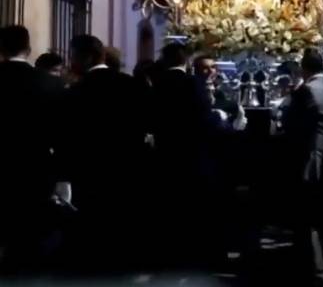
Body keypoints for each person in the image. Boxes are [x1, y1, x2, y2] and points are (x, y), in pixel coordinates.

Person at [60, 35, 151, 268]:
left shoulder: (76, 92)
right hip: (129, 168)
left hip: (89, 172)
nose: (71, 62)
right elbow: (148, 125)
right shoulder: (133, 85)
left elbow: (68, 138)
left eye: (73, 56)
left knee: (93, 229)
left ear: (87, 57)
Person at [0, 26, 66, 271]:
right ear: (28, 49)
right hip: (37, 164)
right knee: (31, 222)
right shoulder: (52, 84)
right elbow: (61, 133)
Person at [150, 42, 222, 266]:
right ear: (186, 60)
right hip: (193, 156)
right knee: (193, 208)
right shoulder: (192, 83)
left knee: (169, 207)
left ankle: (168, 253)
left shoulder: (157, 84)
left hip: (165, 154)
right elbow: (204, 119)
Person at [283, 48, 323, 286]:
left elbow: (291, 124)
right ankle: (322, 267)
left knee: (309, 219)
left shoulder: (305, 90)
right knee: (322, 217)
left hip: (310, 160)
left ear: (304, 68)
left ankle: (318, 272)